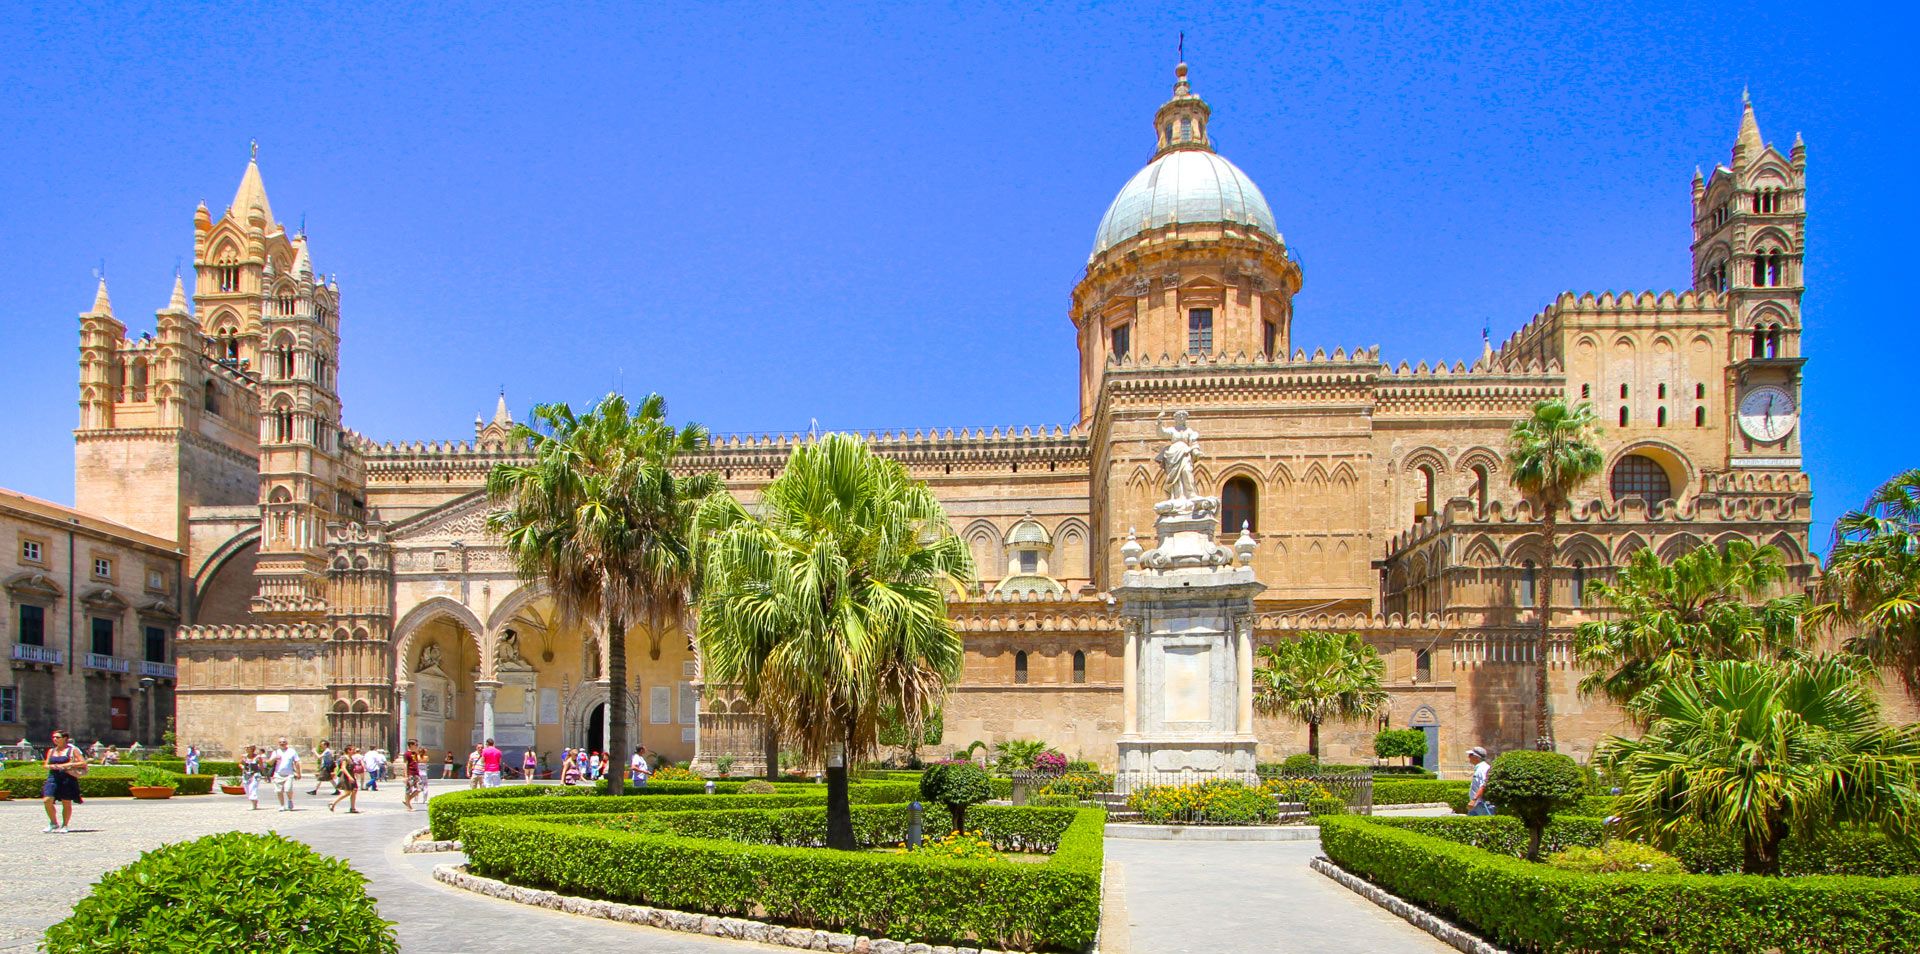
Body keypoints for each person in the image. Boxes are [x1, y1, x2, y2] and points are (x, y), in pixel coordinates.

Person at [42, 729, 86, 833]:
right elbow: (45, 764)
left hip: (67, 777)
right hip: (53, 777)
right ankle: (53, 823)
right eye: (53, 737)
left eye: (57, 737)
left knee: (66, 802)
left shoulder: (72, 750)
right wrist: (52, 766)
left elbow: (83, 763)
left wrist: (68, 765)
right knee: (47, 800)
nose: (55, 739)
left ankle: (65, 825)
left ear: (65, 738)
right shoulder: (51, 751)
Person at [270, 737, 302, 811]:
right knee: (279, 791)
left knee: (288, 789)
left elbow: (297, 762)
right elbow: (270, 763)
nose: (282, 743)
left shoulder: (292, 751)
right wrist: (274, 758)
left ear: (286, 743)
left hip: (289, 774)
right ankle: (282, 805)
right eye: (280, 742)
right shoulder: (276, 752)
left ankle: (290, 800)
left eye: (283, 742)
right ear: (278, 743)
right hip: (278, 774)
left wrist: (299, 773)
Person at [329, 745, 363, 813]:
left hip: (352, 776)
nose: (354, 751)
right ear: (348, 750)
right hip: (347, 777)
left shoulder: (351, 758)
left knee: (354, 790)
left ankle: (352, 808)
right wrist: (349, 777)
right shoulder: (345, 758)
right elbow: (343, 768)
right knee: (347, 793)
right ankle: (333, 803)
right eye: (353, 749)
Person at [1465, 746, 1497, 816]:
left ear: (1476, 757)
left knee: (1487, 824)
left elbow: (1483, 785)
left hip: (1480, 804)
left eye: (1470, 755)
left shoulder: (1483, 768)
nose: (1468, 757)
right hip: (1476, 804)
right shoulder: (1479, 768)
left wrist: (1474, 800)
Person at [402, 739, 426, 812]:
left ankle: (407, 800)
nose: (417, 746)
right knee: (408, 790)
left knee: (420, 788)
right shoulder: (407, 754)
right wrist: (405, 776)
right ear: (411, 745)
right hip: (410, 773)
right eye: (416, 744)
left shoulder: (415, 754)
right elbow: (405, 764)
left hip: (416, 773)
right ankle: (409, 807)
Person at [240, 744, 264, 810]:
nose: (247, 749)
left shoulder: (258, 757)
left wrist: (265, 775)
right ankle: (254, 802)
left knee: (252, 788)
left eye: (248, 748)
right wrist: (242, 767)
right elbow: (240, 763)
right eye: (246, 748)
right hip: (246, 775)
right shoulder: (244, 757)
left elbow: (261, 766)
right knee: (247, 789)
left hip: (255, 775)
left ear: (252, 749)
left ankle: (253, 804)